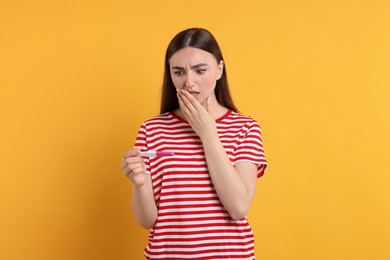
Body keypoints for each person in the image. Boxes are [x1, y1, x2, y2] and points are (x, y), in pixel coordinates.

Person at [121, 28, 267, 259]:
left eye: (200, 70)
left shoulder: (245, 128)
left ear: (219, 69)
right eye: (178, 72)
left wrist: (208, 134)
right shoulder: (152, 129)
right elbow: (146, 221)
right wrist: (139, 184)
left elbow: (238, 208)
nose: (189, 82)